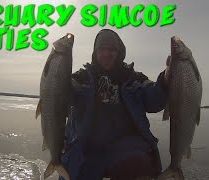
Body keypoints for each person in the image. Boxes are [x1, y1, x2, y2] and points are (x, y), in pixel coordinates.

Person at [59, 29, 168, 180]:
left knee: (140, 164)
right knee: (73, 171)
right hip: (87, 147)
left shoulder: (133, 78)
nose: (107, 54)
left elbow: (154, 100)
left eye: (112, 50)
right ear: (95, 52)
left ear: (119, 52)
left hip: (125, 146)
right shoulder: (81, 77)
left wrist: (166, 80)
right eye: (102, 49)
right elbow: (64, 94)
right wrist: (58, 73)